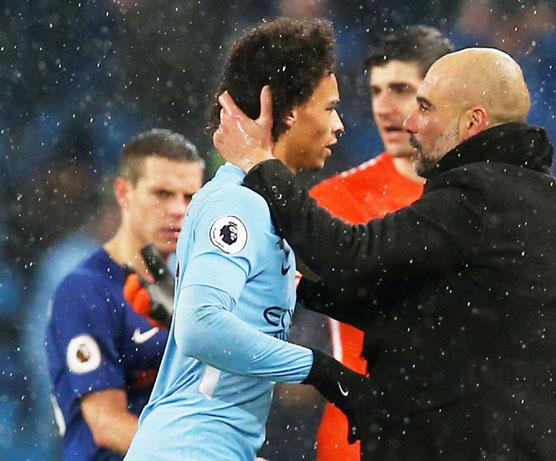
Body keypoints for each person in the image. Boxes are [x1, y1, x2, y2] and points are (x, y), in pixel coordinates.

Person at [214, 47, 556, 459]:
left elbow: (348, 254)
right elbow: (404, 308)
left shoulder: (480, 194)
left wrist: (260, 163)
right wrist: (289, 287)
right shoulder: (531, 195)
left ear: (473, 122)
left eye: (424, 106)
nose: (410, 123)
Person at [125, 19, 372, 461]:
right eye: (330, 107)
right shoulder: (239, 205)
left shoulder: (263, 206)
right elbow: (200, 325)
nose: (339, 125)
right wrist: (317, 368)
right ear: (285, 110)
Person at [308, 25, 453, 460]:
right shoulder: (334, 201)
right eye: (376, 91)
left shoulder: (482, 198)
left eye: (402, 90)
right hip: (359, 436)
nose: (385, 108)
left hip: (458, 435)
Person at [45, 128, 205, 460]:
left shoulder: (197, 284)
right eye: (162, 193)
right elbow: (108, 424)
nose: (178, 209)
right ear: (123, 192)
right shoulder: (85, 290)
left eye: (190, 197)